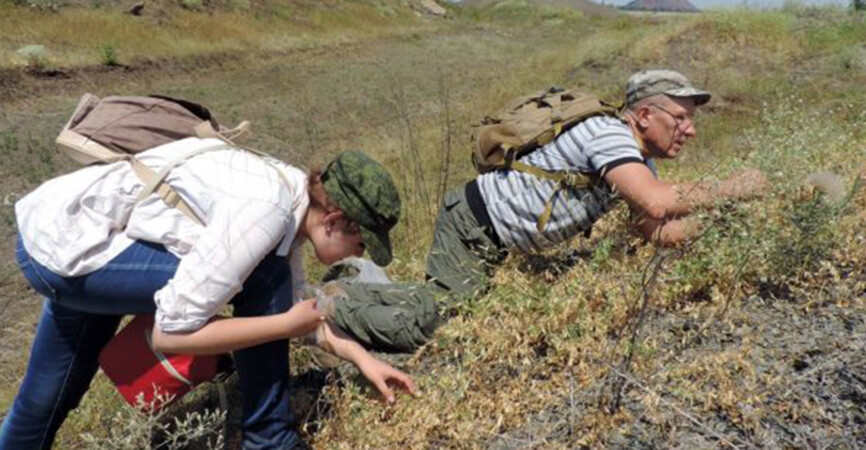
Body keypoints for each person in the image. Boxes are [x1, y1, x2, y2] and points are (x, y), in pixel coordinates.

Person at [0, 140, 415, 450]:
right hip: (75, 246)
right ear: (336, 221)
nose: (359, 255)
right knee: (263, 277)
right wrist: (285, 325)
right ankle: (271, 440)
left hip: (62, 235)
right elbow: (171, 334)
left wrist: (363, 359)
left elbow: (299, 307)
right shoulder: (267, 212)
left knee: (45, 399)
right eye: (361, 245)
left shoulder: (288, 193)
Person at [324, 69, 768, 353]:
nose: (689, 130)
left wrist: (724, 222)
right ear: (646, 115)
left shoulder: (637, 162)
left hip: (495, 236)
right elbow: (658, 202)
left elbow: (656, 231)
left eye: (692, 120)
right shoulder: (608, 136)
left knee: (453, 305)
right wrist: (735, 189)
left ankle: (352, 292)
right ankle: (320, 306)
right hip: (473, 224)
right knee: (431, 326)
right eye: (681, 117)